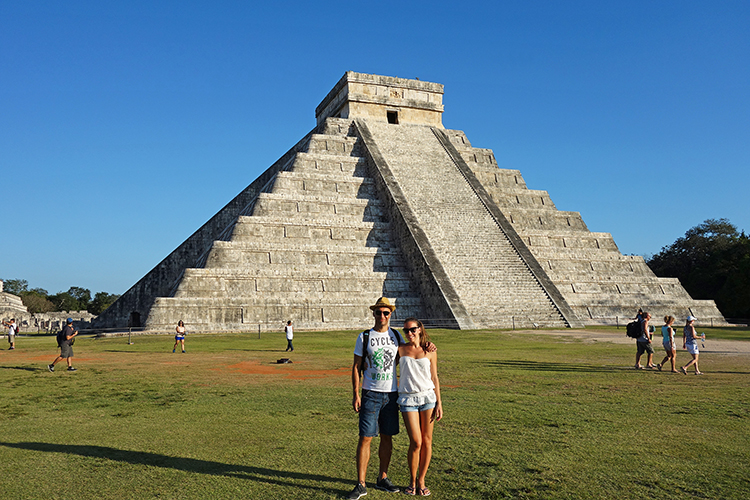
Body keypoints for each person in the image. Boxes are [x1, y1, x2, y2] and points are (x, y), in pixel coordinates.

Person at [398, 318, 442, 496]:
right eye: (406, 331)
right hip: (408, 400)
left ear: (420, 329)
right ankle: (411, 480)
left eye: (412, 329)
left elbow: (434, 377)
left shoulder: (430, 350)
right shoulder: (400, 349)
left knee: (427, 440)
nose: (409, 333)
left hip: (427, 398)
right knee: (416, 442)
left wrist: (439, 402)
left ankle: (421, 480)